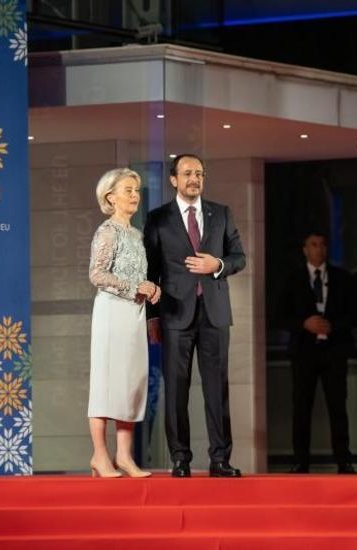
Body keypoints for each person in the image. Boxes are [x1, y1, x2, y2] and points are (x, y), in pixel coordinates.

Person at [144, 153, 245, 478]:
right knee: (176, 389)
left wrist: (217, 265)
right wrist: (152, 317)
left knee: (217, 388)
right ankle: (180, 458)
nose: (194, 179)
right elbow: (150, 271)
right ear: (174, 179)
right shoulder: (158, 218)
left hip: (215, 314)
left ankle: (220, 459)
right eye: (187, 173)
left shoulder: (221, 213)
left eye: (199, 174)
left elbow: (239, 257)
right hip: (175, 315)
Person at [88, 168, 160, 478]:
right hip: (111, 313)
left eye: (136, 190)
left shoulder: (136, 234)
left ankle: (124, 456)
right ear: (110, 197)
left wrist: (151, 288)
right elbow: (97, 275)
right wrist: (134, 288)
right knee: (106, 383)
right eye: (127, 190)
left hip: (134, 314)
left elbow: (137, 275)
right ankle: (99, 455)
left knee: (130, 383)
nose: (134, 195)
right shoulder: (107, 231)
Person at [280, 231, 357, 474]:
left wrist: (333, 325)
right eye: (313, 245)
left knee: (338, 406)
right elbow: (280, 315)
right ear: (305, 249)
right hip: (304, 352)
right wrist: (304, 323)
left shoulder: (342, 278)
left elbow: (355, 313)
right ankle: (300, 461)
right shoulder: (293, 279)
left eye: (323, 245)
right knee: (302, 407)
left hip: (334, 351)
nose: (319, 249)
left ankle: (344, 461)